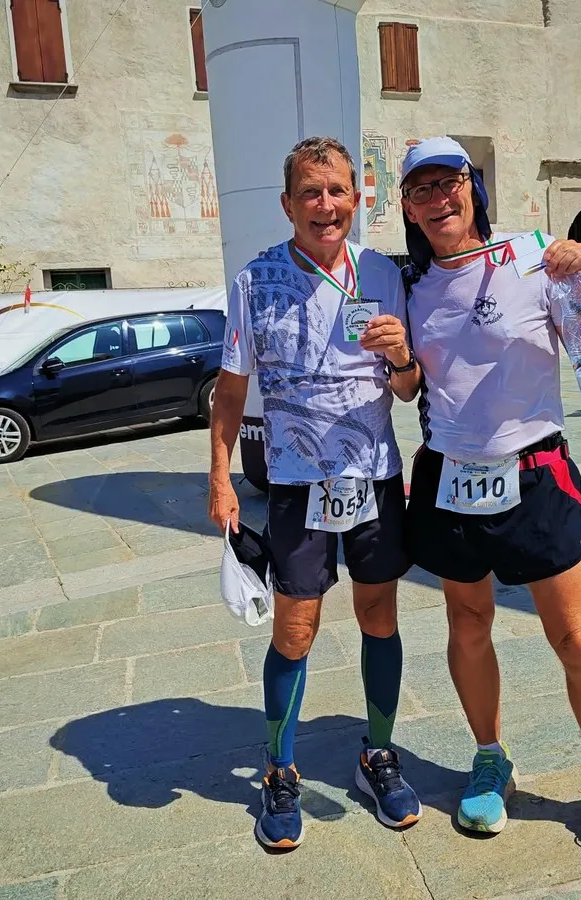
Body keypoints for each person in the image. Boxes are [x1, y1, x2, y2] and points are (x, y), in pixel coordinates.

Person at [397, 136, 581, 876]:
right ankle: (489, 759)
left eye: (450, 182)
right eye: (421, 190)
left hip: (536, 473)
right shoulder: (405, 283)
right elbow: (409, 384)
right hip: (447, 476)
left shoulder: (536, 253)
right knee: (468, 624)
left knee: (575, 635)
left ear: (473, 188)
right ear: (407, 207)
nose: (439, 198)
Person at [208, 136, 424, 850]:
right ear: (288, 204)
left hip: (374, 476)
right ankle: (278, 768)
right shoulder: (256, 278)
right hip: (299, 483)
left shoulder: (386, 275)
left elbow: (408, 387)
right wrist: (219, 477)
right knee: (295, 630)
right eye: (310, 193)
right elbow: (232, 389)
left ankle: (378, 755)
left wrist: (400, 357)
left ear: (357, 200)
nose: (325, 206)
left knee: (379, 616)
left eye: (337, 192)